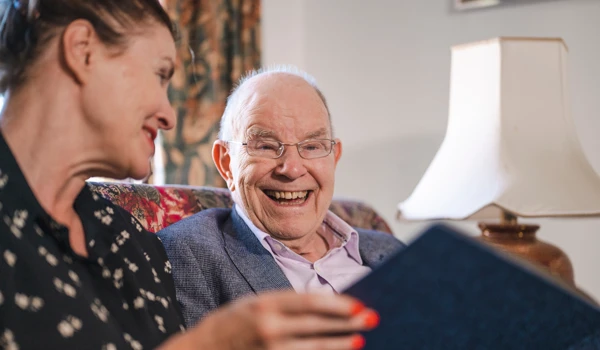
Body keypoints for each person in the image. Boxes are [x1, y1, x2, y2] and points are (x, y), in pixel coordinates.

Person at [0, 1, 379, 349]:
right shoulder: (179, 252)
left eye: (312, 146)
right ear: (82, 50)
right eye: (160, 74)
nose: (170, 116)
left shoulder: (127, 241)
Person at [158, 66, 404, 327]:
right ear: (226, 162)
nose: (292, 169)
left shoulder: (392, 251)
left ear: (334, 157)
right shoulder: (187, 254)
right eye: (265, 146)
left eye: (311, 146)